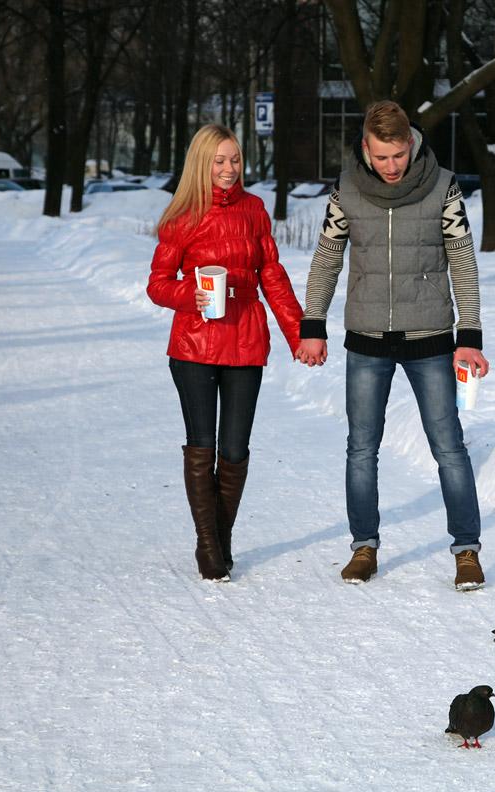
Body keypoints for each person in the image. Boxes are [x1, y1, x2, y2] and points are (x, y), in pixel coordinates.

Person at [294, 100, 490, 591]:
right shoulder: (345, 190)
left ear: (411, 144)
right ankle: (364, 546)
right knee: (361, 448)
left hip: (429, 337)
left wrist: (470, 335)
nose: (391, 166)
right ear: (366, 148)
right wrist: (311, 323)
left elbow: (462, 260)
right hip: (366, 338)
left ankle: (466, 551)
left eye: (398, 155)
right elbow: (327, 257)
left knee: (449, 447)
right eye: (381, 157)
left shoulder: (443, 186)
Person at [147, 124, 303, 581]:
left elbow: (271, 274)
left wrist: (299, 333)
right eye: (219, 161)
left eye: (234, 159)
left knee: (234, 448)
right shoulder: (182, 216)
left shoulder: (255, 210)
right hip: (194, 346)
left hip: (246, 343)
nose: (229, 169)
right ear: (202, 163)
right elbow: (157, 284)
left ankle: (224, 533)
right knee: (203, 445)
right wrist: (186, 295)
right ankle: (208, 542)